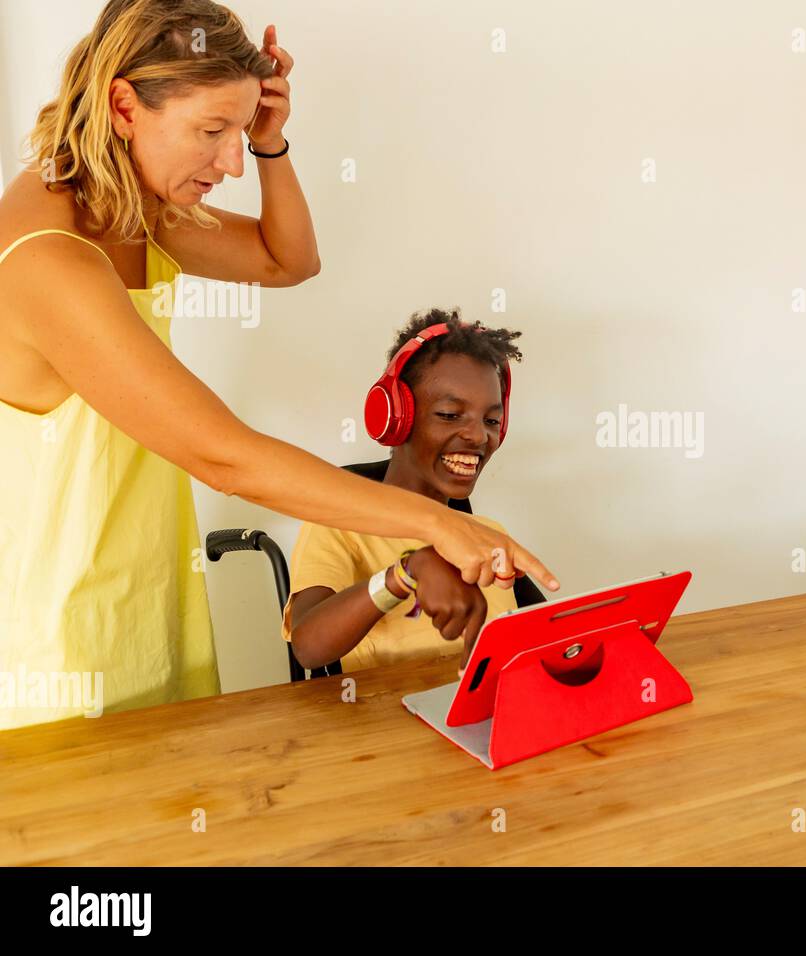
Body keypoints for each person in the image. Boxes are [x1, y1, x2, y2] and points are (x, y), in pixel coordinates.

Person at [0, 0, 557, 729]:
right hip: (57, 646)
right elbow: (222, 455)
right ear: (124, 104)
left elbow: (286, 259)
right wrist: (442, 524)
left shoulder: (135, 209)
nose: (231, 162)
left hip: (146, 598)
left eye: (239, 131)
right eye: (211, 131)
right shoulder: (49, 257)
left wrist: (272, 143)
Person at [284, 309, 542, 678]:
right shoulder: (337, 526)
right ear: (394, 417)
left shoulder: (486, 532)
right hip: (385, 728)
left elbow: (542, 636)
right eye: (451, 414)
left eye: (491, 420)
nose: (478, 436)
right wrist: (403, 575)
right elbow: (308, 646)